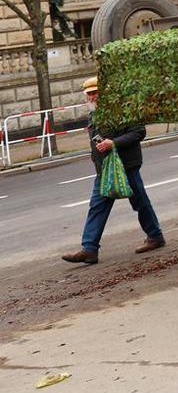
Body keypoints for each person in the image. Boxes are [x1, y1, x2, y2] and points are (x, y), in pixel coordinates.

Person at [61, 77, 165, 265]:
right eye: (89, 94)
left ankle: (155, 236)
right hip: (105, 168)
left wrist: (113, 143)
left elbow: (139, 131)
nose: (93, 97)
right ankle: (89, 248)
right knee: (97, 206)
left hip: (125, 165)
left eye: (96, 92)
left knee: (140, 201)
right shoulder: (93, 114)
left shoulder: (122, 108)